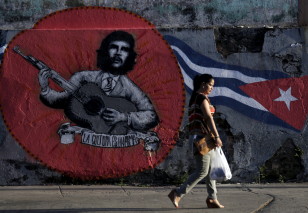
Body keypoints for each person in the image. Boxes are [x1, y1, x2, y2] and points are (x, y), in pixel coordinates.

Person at [38, 30, 159, 134]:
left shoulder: (129, 88)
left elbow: (151, 116)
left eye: (124, 49)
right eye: (114, 47)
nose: (118, 53)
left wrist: (124, 117)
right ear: (105, 51)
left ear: (130, 56)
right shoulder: (83, 78)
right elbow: (61, 99)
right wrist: (45, 89)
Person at [168, 74, 224, 208]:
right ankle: (178, 193)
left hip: (202, 137)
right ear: (203, 84)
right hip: (202, 139)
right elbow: (208, 118)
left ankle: (212, 198)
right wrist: (217, 136)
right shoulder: (201, 98)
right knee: (202, 171)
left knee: (210, 170)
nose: (212, 88)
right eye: (210, 85)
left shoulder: (195, 98)